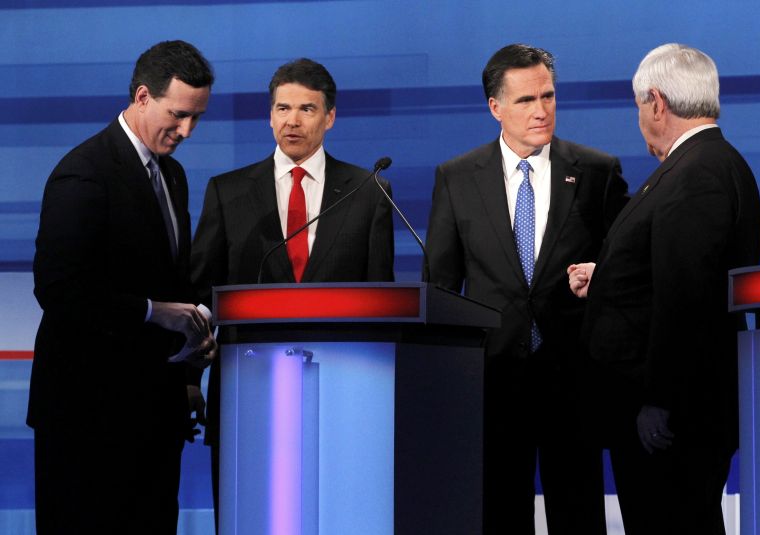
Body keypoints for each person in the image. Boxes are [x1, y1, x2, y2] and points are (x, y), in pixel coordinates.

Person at [425, 44, 628, 535]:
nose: (541, 110)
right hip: (492, 383)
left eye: (549, 96)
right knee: (497, 515)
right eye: (525, 100)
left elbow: (624, 272)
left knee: (578, 515)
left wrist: (599, 271)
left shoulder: (597, 171)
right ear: (495, 107)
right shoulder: (456, 178)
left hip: (573, 379)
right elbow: (441, 287)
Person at [190, 57, 395, 528]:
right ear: (269, 114)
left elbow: (380, 299)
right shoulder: (228, 192)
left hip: (344, 392)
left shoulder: (368, 192)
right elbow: (202, 291)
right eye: (282, 108)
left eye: (306, 109)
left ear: (330, 117)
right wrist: (189, 377)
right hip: (248, 387)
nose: (292, 121)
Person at [568, 43, 760, 535]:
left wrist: (659, 400)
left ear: (656, 102)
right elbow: (672, 268)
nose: (639, 117)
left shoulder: (695, 174)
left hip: (667, 419)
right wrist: (609, 274)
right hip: (676, 409)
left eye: (638, 106)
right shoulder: (710, 163)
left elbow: (687, 298)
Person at [28, 40, 217, 534]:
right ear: (141, 97)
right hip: (88, 419)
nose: (187, 131)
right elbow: (60, 289)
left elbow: (172, 279)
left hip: (154, 415)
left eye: (197, 118)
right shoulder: (83, 172)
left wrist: (190, 359)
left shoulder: (172, 175)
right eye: (178, 115)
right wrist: (158, 312)